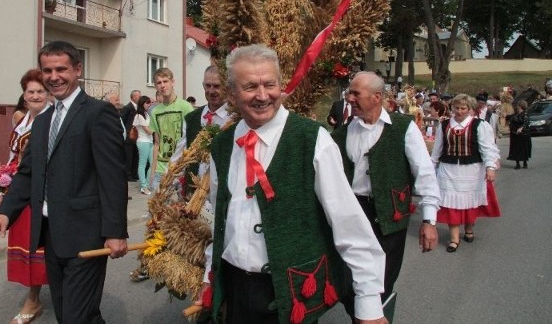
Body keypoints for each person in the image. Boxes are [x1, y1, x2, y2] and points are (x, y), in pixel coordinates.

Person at [201, 45, 388, 324]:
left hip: (292, 293)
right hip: (236, 289)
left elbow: (349, 224)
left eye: (270, 84)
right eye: (251, 86)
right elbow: (220, 218)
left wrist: (369, 306)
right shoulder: (222, 145)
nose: (263, 95)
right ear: (232, 93)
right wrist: (209, 274)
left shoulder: (313, 140)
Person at [0, 41, 128, 323]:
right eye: (47, 70)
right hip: (50, 235)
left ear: (78, 69)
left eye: (61, 69)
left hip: (86, 234)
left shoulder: (97, 112)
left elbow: (112, 177)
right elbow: (28, 173)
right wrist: (6, 212)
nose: (54, 76)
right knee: (70, 312)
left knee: (75, 316)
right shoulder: (42, 121)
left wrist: (115, 231)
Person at [332, 71, 441, 318]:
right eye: (349, 92)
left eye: (355, 93)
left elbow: (424, 173)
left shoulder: (404, 128)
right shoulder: (344, 132)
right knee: (349, 283)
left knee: (381, 284)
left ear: (376, 97)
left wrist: (429, 220)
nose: (349, 98)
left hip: (391, 216)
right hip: (353, 213)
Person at [0, 69, 50, 324]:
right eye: (31, 92)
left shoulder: (51, 121)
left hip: (42, 192)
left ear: (48, 95)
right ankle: (34, 298)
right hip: (20, 191)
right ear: (24, 97)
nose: (35, 95)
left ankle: (36, 298)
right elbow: (13, 159)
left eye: (40, 91)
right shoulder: (23, 121)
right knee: (27, 245)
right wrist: (2, 188)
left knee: (40, 246)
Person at [431, 94, 500, 253]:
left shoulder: (479, 125)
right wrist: (430, 168)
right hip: (449, 169)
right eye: (457, 108)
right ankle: (454, 238)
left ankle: (469, 228)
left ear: (469, 109)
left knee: (470, 202)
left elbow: (487, 148)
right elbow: (437, 149)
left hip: (472, 170)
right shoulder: (444, 125)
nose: (460, 111)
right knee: (451, 204)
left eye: (463, 108)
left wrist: (490, 167)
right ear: (452, 108)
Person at [172, 65, 232, 199]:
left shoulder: (235, 117)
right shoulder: (192, 118)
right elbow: (179, 155)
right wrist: (166, 184)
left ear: (227, 86)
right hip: (194, 194)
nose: (211, 91)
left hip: (224, 194)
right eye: (207, 86)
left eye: (217, 86)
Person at [148, 68, 194, 192]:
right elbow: (157, 143)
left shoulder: (186, 107)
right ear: (156, 86)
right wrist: (152, 172)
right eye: (159, 83)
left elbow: (192, 140)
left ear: (172, 82)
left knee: (180, 209)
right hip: (161, 170)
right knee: (158, 210)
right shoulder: (155, 111)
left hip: (180, 169)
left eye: (165, 81)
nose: (162, 85)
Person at [133, 95, 153, 195]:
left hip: (149, 141)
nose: (149, 104)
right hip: (143, 141)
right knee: (142, 164)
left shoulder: (146, 114)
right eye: (147, 103)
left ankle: (147, 184)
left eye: (150, 102)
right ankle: (143, 186)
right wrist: (156, 131)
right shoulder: (139, 116)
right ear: (142, 103)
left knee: (153, 163)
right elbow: (148, 131)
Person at [120, 90, 141, 182]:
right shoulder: (127, 107)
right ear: (133, 97)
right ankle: (128, 175)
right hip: (129, 136)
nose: (140, 98)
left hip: (136, 136)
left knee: (135, 156)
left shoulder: (138, 108)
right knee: (129, 157)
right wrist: (126, 132)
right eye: (138, 96)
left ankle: (134, 173)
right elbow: (122, 121)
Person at [507, 100, 531, 170]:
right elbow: (508, 117)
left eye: (517, 105)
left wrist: (521, 128)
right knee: (516, 149)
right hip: (514, 134)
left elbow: (526, 122)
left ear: (520, 106)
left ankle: (525, 162)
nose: (516, 107)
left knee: (523, 148)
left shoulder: (525, 114)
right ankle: (517, 164)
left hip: (523, 134)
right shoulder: (515, 114)